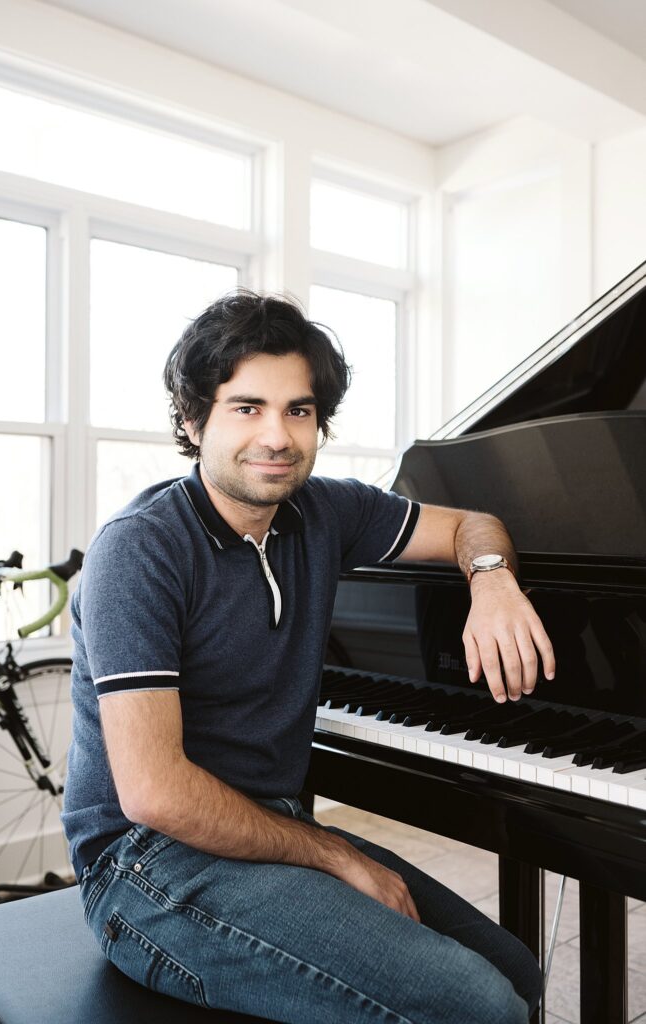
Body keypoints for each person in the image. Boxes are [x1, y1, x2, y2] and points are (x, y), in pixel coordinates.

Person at [62, 291, 555, 1024]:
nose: (277, 436)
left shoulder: (323, 511)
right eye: (247, 407)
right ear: (194, 420)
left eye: (298, 411)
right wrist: (335, 854)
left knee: (515, 971)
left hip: (267, 828)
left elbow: (471, 524)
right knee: (479, 1005)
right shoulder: (141, 549)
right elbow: (154, 794)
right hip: (146, 867)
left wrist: (491, 580)